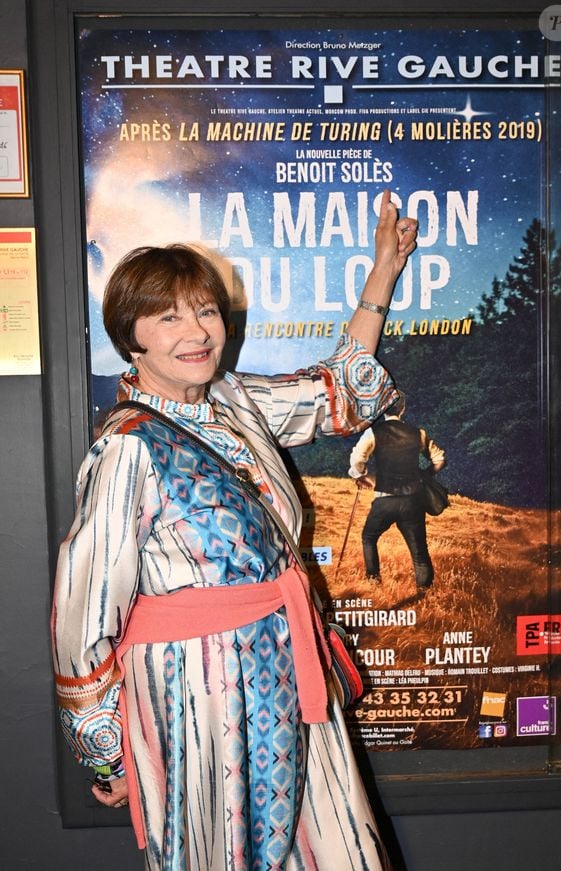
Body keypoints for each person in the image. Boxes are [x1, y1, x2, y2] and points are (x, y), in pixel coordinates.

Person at [51, 190, 417, 871]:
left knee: (329, 846)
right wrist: (107, 751)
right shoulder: (126, 448)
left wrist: (383, 273)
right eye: (168, 317)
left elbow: (340, 392)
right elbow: (82, 617)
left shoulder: (234, 398)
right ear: (131, 337)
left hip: (286, 661)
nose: (197, 331)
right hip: (202, 690)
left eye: (206, 310)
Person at [348, 391, 446, 589]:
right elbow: (439, 459)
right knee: (419, 552)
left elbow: (357, 460)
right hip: (413, 501)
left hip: (385, 500)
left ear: (382, 409)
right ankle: (424, 594)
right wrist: (425, 475)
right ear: (403, 408)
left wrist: (360, 476)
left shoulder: (373, 433)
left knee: (369, 537)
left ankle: (373, 583)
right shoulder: (418, 434)